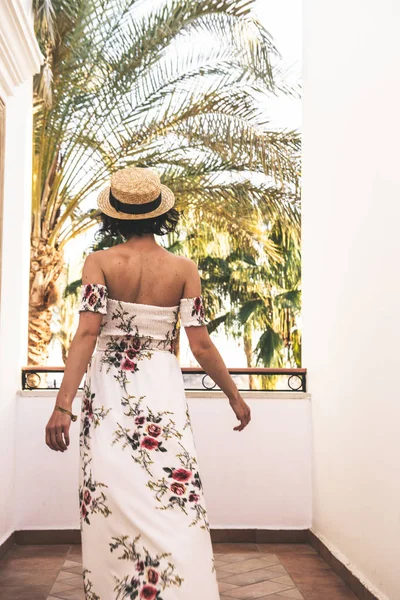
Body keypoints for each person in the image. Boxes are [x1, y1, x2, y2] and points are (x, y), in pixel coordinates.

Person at [45, 166, 251, 598]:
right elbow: (202, 345)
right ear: (160, 214)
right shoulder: (183, 268)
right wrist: (235, 396)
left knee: (112, 489)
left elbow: (86, 333)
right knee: (174, 498)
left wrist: (63, 405)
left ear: (114, 216)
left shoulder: (99, 262)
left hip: (110, 390)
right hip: (161, 389)